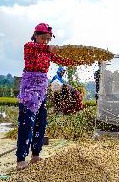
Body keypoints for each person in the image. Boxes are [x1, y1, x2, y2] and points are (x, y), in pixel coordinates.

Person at [16, 23, 77, 170]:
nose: (45, 41)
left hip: (42, 89)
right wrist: (48, 47)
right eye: (43, 38)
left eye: (48, 39)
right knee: (26, 122)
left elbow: (61, 60)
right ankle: (21, 159)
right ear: (36, 36)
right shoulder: (29, 47)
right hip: (30, 88)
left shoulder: (47, 51)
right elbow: (39, 47)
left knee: (41, 121)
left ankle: (35, 154)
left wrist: (77, 61)